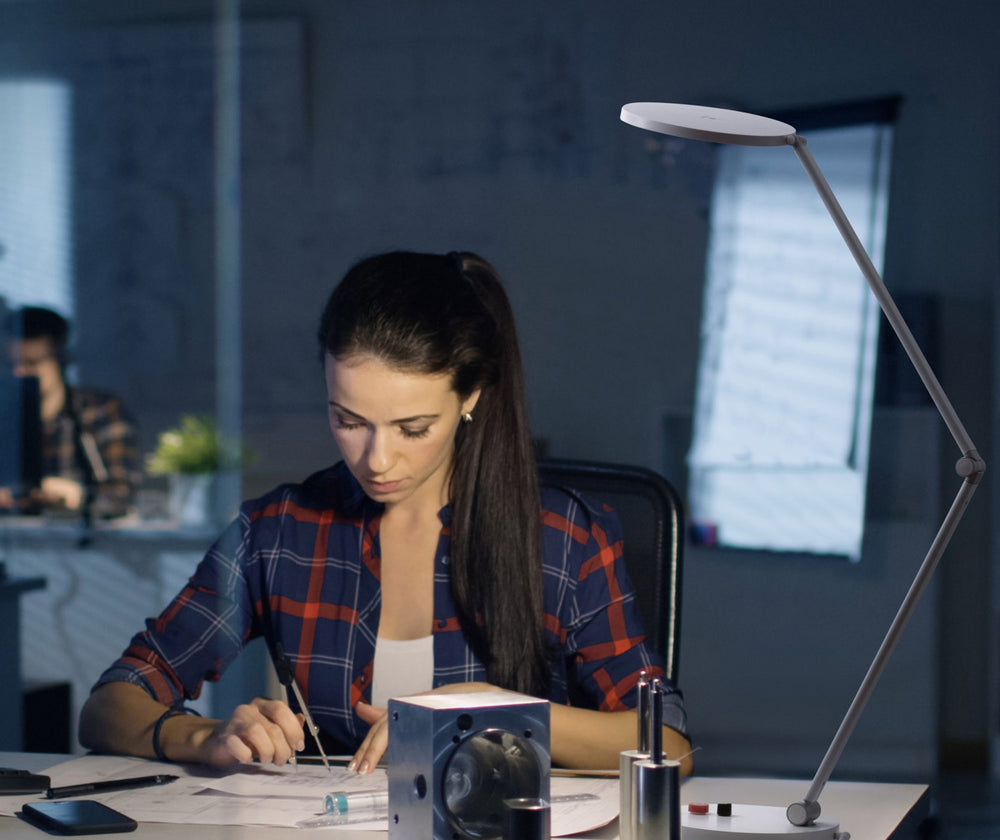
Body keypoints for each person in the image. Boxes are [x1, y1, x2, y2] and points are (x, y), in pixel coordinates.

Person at [79, 251, 690, 773]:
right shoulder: (279, 533)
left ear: (470, 397)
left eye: (413, 427)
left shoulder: (562, 539)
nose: (376, 459)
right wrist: (204, 736)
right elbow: (111, 703)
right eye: (348, 421)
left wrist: (501, 714)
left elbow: (667, 745)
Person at [5, 306, 142, 519]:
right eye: (10, 364)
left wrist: (75, 496)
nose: (19, 373)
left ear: (60, 359)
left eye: (32, 363)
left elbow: (122, 497)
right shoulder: (6, 418)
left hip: (79, 548)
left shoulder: (99, 412)